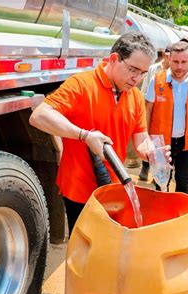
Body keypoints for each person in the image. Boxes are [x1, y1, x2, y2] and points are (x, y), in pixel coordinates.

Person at [29, 32, 164, 234]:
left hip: (116, 188)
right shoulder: (82, 84)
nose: (137, 79)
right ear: (114, 59)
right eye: (133, 70)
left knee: (110, 247)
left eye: (143, 73)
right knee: (84, 250)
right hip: (80, 190)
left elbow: (140, 136)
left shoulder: (134, 96)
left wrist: (150, 151)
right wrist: (84, 135)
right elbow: (39, 116)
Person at [146, 40, 188, 193]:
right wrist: (146, 137)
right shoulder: (157, 80)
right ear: (169, 59)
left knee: (183, 181)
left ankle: (179, 214)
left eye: (184, 62)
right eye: (175, 62)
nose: (179, 67)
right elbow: (148, 109)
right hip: (161, 143)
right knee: (161, 182)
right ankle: (161, 213)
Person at [138, 43, 172, 181]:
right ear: (165, 54)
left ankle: (158, 174)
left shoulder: (176, 72)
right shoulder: (153, 69)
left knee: (163, 144)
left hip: (166, 113)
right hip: (151, 109)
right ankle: (145, 167)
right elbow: (144, 90)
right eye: (170, 55)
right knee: (149, 139)